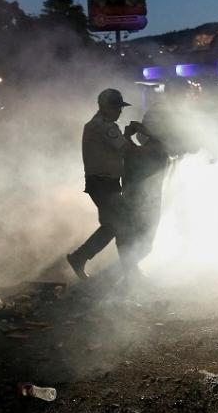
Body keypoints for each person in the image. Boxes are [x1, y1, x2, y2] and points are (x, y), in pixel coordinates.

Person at [67, 88, 144, 281]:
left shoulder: (97, 124)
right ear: (106, 107)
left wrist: (126, 135)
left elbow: (118, 151)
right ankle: (130, 272)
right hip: (103, 183)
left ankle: (80, 257)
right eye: (117, 107)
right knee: (122, 224)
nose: (120, 111)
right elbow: (127, 150)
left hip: (102, 183)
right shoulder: (105, 126)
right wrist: (135, 136)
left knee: (113, 226)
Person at [122, 103, 190, 267]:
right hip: (142, 196)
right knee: (140, 238)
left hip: (149, 195)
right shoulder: (154, 147)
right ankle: (128, 270)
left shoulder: (159, 147)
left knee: (143, 238)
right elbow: (135, 154)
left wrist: (131, 136)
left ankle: (130, 269)